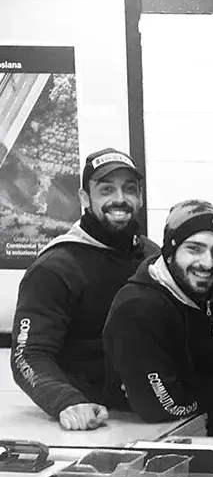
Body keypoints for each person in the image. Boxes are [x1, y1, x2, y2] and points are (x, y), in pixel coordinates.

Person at [11, 148, 158, 430]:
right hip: (91, 422)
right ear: (84, 198)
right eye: (106, 189)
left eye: (129, 189)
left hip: (154, 417)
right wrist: (65, 401)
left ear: (139, 197)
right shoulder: (55, 267)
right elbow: (27, 355)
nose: (120, 199)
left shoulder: (151, 256)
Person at [103, 201, 213, 434]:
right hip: (145, 438)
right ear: (170, 252)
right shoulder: (137, 308)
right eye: (194, 249)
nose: (207, 263)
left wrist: (184, 382)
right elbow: (158, 406)